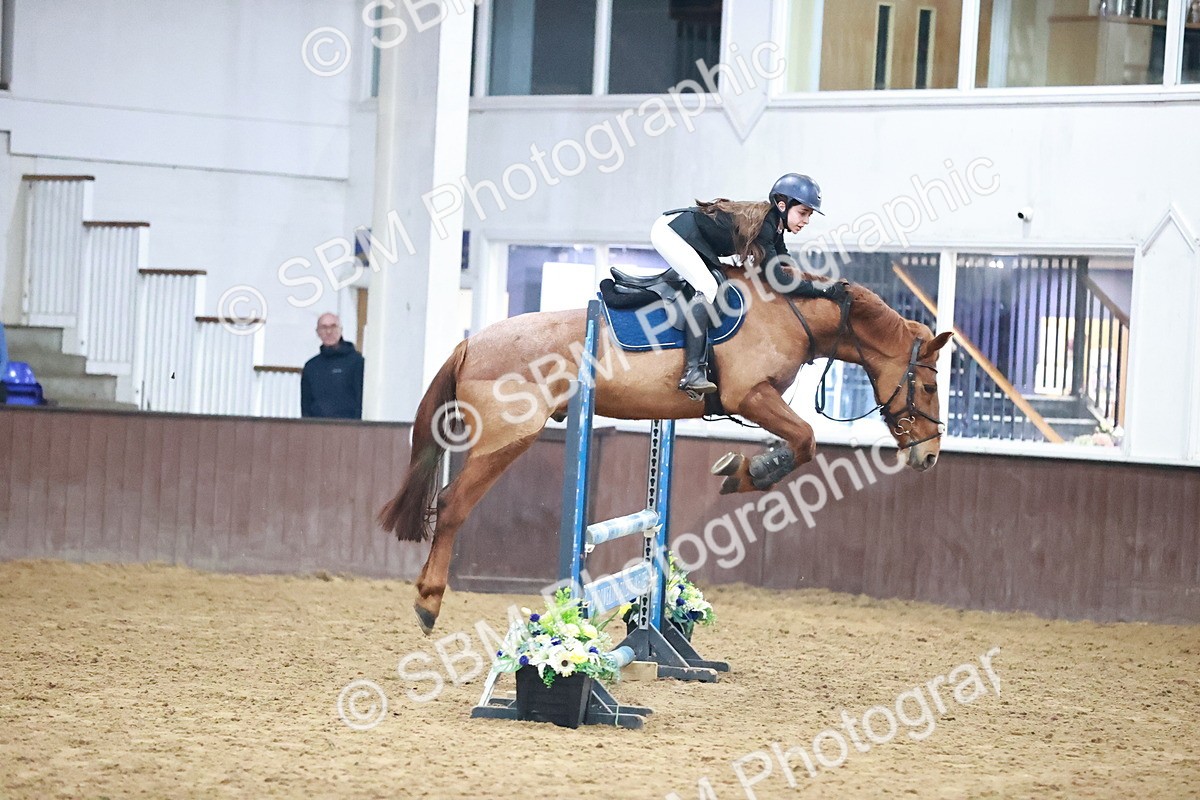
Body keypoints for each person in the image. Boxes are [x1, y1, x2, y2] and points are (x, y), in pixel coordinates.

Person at [650, 173, 846, 397]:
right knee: (708, 286)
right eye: (803, 213)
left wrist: (817, 286)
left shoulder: (775, 226)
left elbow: (786, 266)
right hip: (671, 232)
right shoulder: (766, 226)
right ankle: (693, 371)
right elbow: (779, 280)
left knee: (714, 282)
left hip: (688, 235)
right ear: (782, 205)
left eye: (809, 215)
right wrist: (824, 290)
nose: (806, 221)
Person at [300, 313, 364, 419]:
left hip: (350, 428)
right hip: (317, 428)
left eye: (333, 326)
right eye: (324, 327)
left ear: (341, 329)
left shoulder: (357, 362)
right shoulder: (311, 367)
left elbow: (361, 400)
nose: (329, 332)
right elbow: (306, 405)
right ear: (318, 332)